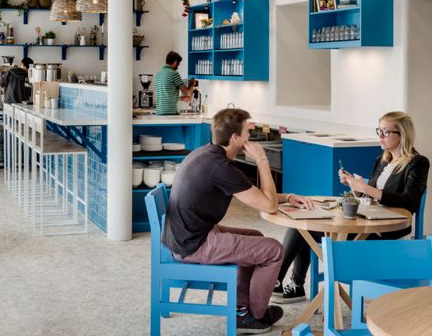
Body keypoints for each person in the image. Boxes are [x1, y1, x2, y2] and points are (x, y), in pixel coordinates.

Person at [163, 107, 313, 334]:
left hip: (185, 236)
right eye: (246, 133)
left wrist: (289, 197)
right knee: (274, 250)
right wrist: (262, 160)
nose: (249, 138)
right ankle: (256, 316)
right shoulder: (221, 168)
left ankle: (242, 309)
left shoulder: (207, 155)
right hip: (194, 244)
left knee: (257, 237)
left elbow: (257, 196)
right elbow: (269, 205)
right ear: (235, 138)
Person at [274, 111, 429, 303]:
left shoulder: (418, 163)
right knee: (304, 224)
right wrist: (356, 189)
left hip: (387, 230)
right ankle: (290, 283)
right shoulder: (382, 160)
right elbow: (371, 198)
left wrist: (366, 188)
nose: (380, 136)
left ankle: (282, 282)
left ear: (402, 134)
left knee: (303, 228)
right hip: (370, 221)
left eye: (386, 132)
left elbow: (409, 201)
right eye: (379, 130)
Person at [154, 51, 197, 115]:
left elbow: (166, 96)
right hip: (170, 113)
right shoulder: (174, 74)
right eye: (178, 64)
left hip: (158, 112)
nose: (178, 66)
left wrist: (181, 98)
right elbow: (188, 93)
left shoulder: (158, 74)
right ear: (175, 62)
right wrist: (192, 84)